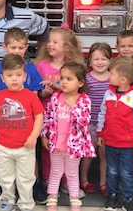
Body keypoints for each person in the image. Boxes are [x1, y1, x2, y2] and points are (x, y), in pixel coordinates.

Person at [0, 54, 44, 211]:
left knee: (26, 178)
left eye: (18, 75)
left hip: (25, 147)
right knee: (5, 178)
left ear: (25, 76)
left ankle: (26, 203)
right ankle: (7, 200)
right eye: (9, 75)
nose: (14, 79)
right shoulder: (0, 96)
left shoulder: (30, 96)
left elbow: (39, 116)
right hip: (4, 146)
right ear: (2, 77)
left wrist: (34, 136)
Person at [35, 27, 84, 201]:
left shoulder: (73, 67)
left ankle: (67, 181)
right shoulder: (42, 65)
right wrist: (45, 94)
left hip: (68, 117)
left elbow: (80, 91)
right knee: (48, 149)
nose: (50, 44)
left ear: (67, 46)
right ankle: (49, 180)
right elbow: (37, 91)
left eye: (55, 42)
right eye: (49, 41)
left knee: (68, 149)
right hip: (47, 116)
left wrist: (58, 88)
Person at [41, 62, 96, 211]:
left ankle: (74, 199)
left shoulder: (84, 100)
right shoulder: (55, 97)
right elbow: (48, 117)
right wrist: (44, 135)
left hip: (74, 144)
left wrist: (74, 107)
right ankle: (52, 198)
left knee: (72, 173)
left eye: (69, 79)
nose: (63, 82)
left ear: (80, 83)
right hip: (56, 141)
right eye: (62, 78)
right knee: (55, 171)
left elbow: (84, 122)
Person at [96, 56, 133, 211]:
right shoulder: (108, 94)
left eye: (111, 73)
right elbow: (102, 114)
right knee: (111, 171)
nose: (109, 76)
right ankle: (112, 196)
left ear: (123, 79)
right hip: (111, 142)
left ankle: (128, 199)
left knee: (127, 173)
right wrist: (100, 133)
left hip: (128, 145)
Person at [80, 42, 112, 198]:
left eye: (104, 59)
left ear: (110, 60)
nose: (100, 62)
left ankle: (103, 182)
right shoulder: (87, 79)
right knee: (88, 152)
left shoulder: (114, 78)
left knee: (104, 153)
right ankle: (84, 180)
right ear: (90, 61)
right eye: (96, 59)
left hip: (107, 123)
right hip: (89, 123)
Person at [0, 28, 43, 103]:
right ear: (4, 46)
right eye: (13, 48)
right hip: (3, 111)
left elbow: (34, 94)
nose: (17, 51)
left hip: (25, 112)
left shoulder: (31, 69)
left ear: (26, 47)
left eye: (21, 48)